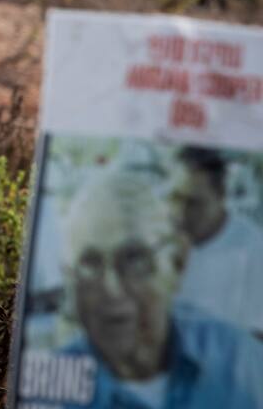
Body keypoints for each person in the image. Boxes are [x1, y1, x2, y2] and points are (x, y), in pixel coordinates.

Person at [57, 168, 263, 408]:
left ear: (176, 265)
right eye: (90, 264)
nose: (111, 288)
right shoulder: (52, 388)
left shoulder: (241, 362)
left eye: (133, 259)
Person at [170, 147, 263, 339]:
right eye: (176, 198)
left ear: (221, 195)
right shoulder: (162, 239)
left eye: (194, 203)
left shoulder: (253, 249)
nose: (180, 213)